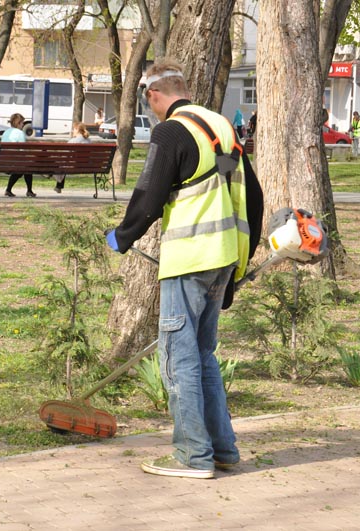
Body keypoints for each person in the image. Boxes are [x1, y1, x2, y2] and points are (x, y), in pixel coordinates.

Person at [105, 59, 247, 480]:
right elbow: (241, 189)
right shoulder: (220, 125)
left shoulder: (170, 130)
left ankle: (192, 456)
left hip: (189, 258)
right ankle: (223, 450)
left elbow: (150, 194)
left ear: (153, 95)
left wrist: (123, 235)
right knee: (203, 356)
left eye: (147, 101)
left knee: (178, 358)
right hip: (224, 255)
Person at [2, 113, 36, 198]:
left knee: (22, 169)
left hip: (4, 162)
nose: (23, 125)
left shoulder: (6, 132)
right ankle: (29, 191)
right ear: (18, 123)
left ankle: (9, 190)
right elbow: (22, 151)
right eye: (22, 123)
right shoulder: (20, 133)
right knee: (27, 168)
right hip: (15, 162)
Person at [54, 122, 91, 194]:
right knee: (64, 164)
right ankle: (58, 186)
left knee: (61, 163)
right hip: (85, 165)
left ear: (77, 129)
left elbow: (65, 154)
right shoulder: (89, 141)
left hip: (72, 166)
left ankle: (53, 178)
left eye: (73, 129)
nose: (72, 131)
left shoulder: (73, 141)